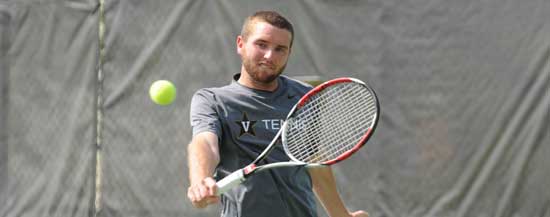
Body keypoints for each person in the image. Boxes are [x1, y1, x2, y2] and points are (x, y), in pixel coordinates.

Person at [187, 10, 369, 217]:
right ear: (241, 44)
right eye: (261, 44)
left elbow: (313, 160)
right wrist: (200, 180)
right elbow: (205, 143)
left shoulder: (305, 96)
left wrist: (340, 214)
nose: (269, 56)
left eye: (280, 49)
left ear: (289, 53)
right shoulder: (212, 100)